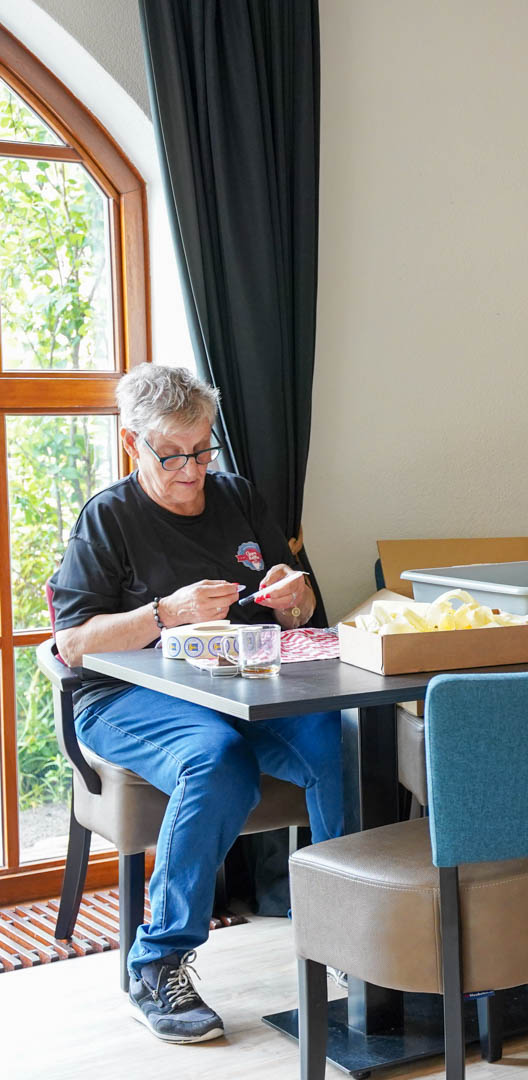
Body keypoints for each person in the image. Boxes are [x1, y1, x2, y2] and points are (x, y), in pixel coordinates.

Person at [48, 365, 341, 1044]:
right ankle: (156, 964)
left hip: (242, 687)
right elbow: (73, 643)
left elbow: (297, 609)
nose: (192, 470)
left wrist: (294, 597)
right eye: (172, 455)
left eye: (202, 450)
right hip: (125, 698)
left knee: (339, 738)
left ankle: (348, 937)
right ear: (134, 444)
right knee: (216, 759)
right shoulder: (109, 518)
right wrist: (163, 613)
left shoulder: (238, 497)